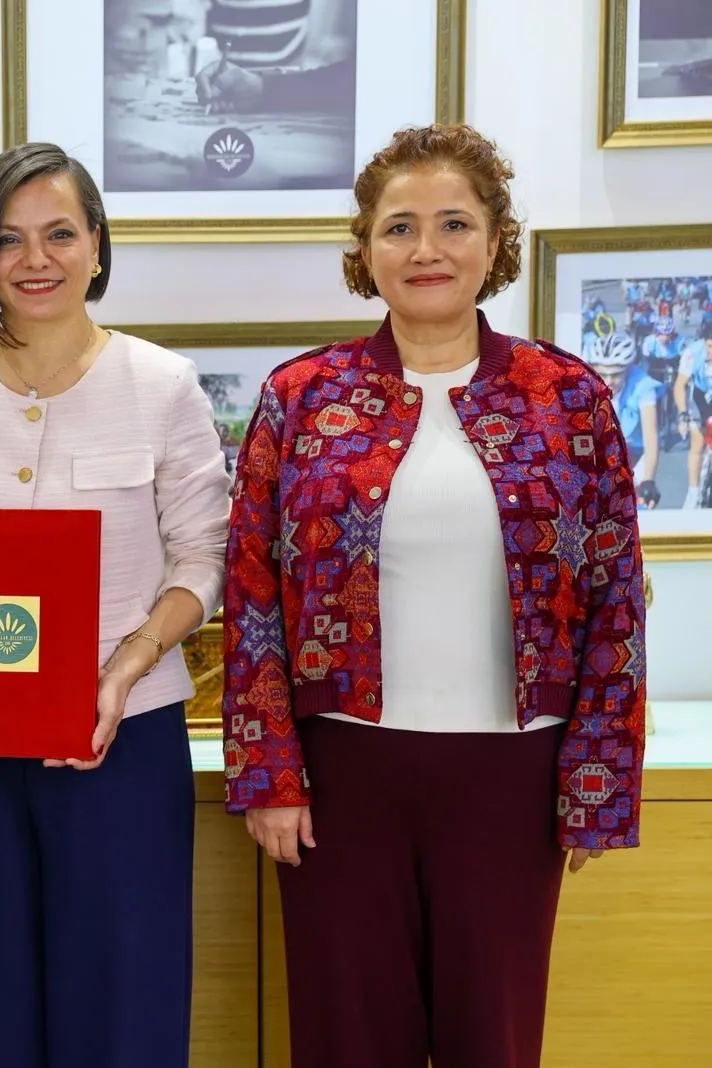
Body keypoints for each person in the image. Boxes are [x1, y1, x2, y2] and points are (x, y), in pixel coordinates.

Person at [222, 123, 646, 1068]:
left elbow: (616, 595)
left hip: (512, 776)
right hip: (341, 777)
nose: (427, 249)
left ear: (494, 242)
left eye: (454, 223)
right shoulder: (300, 395)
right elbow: (250, 595)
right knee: (346, 1041)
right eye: (399, 226)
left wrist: (598, 783)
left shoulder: (567, 396)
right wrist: (269, 773)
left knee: (492, 1041)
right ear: (366, 249)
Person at [0, 141, 232, 1068]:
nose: (35, 259)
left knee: (126, 1006)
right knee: (1, 1004)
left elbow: (205, 559)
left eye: (60, 234)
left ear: (97, 246)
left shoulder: (160, 385)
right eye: (9, 239)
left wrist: (130, 661)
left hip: (123, 740)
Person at [584, 330, 663, 508]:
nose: (609, 381)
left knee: (636, 505)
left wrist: (648, 480)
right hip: (601, 450)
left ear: (628, 369)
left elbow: (651, 438)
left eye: (616, 374)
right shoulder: (586, 381)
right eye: (603, 373)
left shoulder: (643, 386)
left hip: (633, 452)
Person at [674, 317, 712, 507]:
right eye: (710, 346)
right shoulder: (692, 353)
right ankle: (693, 492)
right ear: (704, 342)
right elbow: (680, 385)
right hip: (700, 396)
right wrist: (683, 414)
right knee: (698, 444)